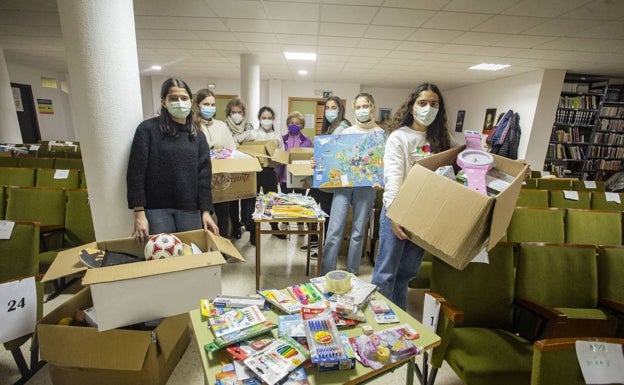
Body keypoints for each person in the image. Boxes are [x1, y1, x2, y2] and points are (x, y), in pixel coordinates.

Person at [371, 83, 453, 310]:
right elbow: (393, 179)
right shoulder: (399, 137)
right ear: (412, 106)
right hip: (397, 211)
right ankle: (380, 318)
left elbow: (468, 154)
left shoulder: (443, 139)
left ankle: (399, 315)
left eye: (434, 104)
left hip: (423, 215)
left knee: (407, 273)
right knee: (386, 272)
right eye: (422, 103)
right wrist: (395, 216)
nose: (428, 108)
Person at [127, 78, 218, 242]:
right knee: (164, 259)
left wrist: (205, 211)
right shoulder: (147, 130)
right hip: (157, 211)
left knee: (191, 256)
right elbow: (136, 173)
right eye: (173, 98)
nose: (179, 102)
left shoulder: (198, 136)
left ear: (191, 102)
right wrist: (139, 213)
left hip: (190, 210)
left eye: (184, 98)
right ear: (163, 102)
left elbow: (204, 178)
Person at [320, 93, 382, 276]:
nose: (362, 110)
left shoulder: (380, 134)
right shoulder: (346, 133)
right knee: (334, 230)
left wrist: (380, 178)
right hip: (343, 186)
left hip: (366, 188)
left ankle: (352, 272)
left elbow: (382, 163)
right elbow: (332, 159)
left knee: (357, 232)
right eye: (358, 107)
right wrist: (319, 163)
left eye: (366, 106)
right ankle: (326, 272)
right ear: (354, 109)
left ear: (373, 108)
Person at [303, 96, 351, 255]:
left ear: (340, 110)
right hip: (326, 183)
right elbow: (325, 156)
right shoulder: (330, 128)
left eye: (333, 108)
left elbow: (338, 156)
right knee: (317, 209)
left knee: (330, 219)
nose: (330, 111)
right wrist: (316, 160)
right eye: (327, 108)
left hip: (334, 184)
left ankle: (326, 251)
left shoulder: (342, 128)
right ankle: (319, 242)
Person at [235, 106, 286, 244]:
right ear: (259, 119)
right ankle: (253, 232)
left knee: (272, 200)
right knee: (251, 201)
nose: (267, 120)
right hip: (253, 171)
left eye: (269, 118)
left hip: (269, 172)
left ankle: (274, 227)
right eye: (264, 118)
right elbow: (235, 142)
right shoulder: (251, 134)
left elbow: (282, 154)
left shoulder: (277, 137)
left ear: (273, 119)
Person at [193, 88, 237, 238]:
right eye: (206, 104)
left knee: (223, 215)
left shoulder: (221, 126)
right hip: (199, 179)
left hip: (220, 178)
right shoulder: (191, 126)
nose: (210, 108)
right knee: (202, 216)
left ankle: (223, 247)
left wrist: (222, 154)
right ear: (197, 106)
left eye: (213, 105)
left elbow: (232, 149)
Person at [224, 97, 255, 240]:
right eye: (233, 112)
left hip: (245, 167)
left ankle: (247, 223)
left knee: (247, 198)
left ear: (243, 113)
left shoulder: (249, 127)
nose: (236, 115)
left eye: (239, 112)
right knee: (232, 200)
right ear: (229, 113)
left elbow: (253, 145)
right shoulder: (223, 127)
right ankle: (235, 226)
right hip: (229, 168)